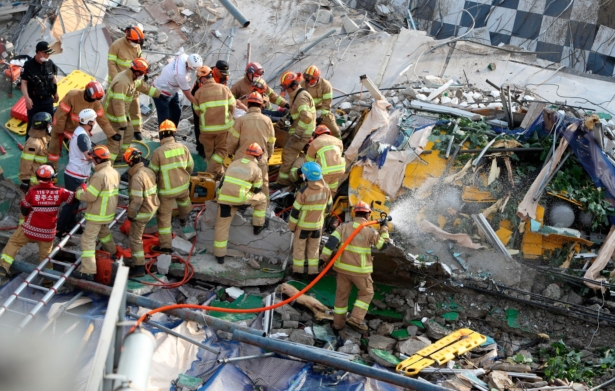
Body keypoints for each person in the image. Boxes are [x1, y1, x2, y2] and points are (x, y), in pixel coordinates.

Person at [320, 201, 389, 332]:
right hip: (361, 272)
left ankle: (338, 325)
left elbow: (331, 243)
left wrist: (322, 259)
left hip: (342, 269)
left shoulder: (343, 227)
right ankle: (356, 319)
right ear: (368, 215)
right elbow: (384, 246)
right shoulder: (370, 232)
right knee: (366, 293)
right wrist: (384, 228)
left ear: (354, 213)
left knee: (341, 297)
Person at [0, 165, 74, 283]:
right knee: (46, 257)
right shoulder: (60, 192)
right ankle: (47, 282)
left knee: (14, 243)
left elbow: (24, 210)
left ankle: (3, 268)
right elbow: (73, 198)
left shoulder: (32, 192)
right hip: (47, 232)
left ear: (37, 177)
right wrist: (83, 186)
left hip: (29, 229)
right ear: (53, 178)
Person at [214, 143, 268, 264]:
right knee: (262, 198)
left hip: (224, 200)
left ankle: (219, 255)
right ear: (258, 156)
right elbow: (257, 189)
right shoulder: (256, 169)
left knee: (222, 226)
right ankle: (258, 225)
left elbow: (223, 182)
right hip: (240, 201)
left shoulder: (233, 163)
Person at [73, 145, 119, 280]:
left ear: (99, 160)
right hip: (107, 213)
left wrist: (79, 193)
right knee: (104, 234)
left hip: (97, 214)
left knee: (87, 240)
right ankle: (113, 253)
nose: (92, 161)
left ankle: (88, 271)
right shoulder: (114, 172)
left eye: (93, 159)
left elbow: (90, 197)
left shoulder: (99, 175)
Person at [149, 120, 194, 254]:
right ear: (174, 133)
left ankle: (166, 246)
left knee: (164, 218)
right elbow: (190, 166)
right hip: (183, 187)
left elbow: (152, 173)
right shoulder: (183, 148)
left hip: (167, 192)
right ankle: (184, 221)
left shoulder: (158, 152)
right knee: (184, 203)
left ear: (161, 134)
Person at [104, 58, 160, 162]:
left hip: (122, 115)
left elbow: (144, 87)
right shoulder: (123, 82)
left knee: (129, 133)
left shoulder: (132, 78)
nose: (143, 76)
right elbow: (118, 104)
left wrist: (159, 94)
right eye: (142, 73)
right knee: (116, 142)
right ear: (137, 72)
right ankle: (106, 164)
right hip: (114, 117)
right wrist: (122, 123)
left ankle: (119, 157)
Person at [48, 81, 112, 165]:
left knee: (78, 152)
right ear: (87, 93)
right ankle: (51, 169)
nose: (93, 100)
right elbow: (61, 115)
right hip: (62, 128)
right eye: (93, 98)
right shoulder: (72, 96)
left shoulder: (95, 102)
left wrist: (112, 133)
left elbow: (102, 119)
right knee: (54, 150)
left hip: (78, 132)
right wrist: (58, 130)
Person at [227, 92, 275, 201]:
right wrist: (267, 156)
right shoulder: (267, 121)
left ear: (248, 104)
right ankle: (264, 207)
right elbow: (271, 143)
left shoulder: (240, 120)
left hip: (242, 159)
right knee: (263, 184)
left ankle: (240, 206)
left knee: (240, 184)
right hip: (260, 159)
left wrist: (230, 153)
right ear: (261, 105)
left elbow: (232, 141)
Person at [56, 108, 97, 237]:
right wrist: (99, 157)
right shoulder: (82, 137)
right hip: (76, 175)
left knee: (75, 202)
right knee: (71, 203)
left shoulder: (80, 132)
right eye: (94, 120)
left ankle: (70, 225)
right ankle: (60, 228)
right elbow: (88, 156)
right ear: (89, 122)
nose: (95, 122)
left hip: (76, 173)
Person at [288, 162, 331, 276]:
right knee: (314, 249)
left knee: (299, 249)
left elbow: (295, 213)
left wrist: (292, 227)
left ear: (306, 176)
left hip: (302, 227)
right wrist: (320, 218)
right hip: (317, 226)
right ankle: (313, 272)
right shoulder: (326, 189)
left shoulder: (303, 192)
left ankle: (298, 272)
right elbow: (329, 207)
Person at [192, 66, 236, 179]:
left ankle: (215, 175)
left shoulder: (198, 93)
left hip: (206, 131)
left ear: (202, 79)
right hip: (224, 128)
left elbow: (197, 112)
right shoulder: (224, 89)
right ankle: (210, 176)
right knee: (221, 152)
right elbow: (233, 106)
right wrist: (228, 117)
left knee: (210, 155)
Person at [123, 147, 159, 277]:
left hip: (143, 211)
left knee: (135, 238)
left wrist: (131, 214)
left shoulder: (137, 177)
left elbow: (137, 200)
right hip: (152, 206)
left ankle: (139, 267)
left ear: (130, 162)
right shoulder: (148, 171)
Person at [275, 71, 316, 187]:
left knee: (288, 153)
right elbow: (294, 114)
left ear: (293, 86)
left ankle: (283, 182)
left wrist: (298, 133)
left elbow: (306, 117)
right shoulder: (297, 95)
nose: (285, 90)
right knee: (290, 154)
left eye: (285, 87)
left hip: (302, 134)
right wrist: (283, 122)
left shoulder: (301, 97)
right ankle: (292, 176)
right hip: (303, 133)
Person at [107, 26, 146, 141]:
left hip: (133, 81)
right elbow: (111, 64)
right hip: (120, 82)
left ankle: (137, 129)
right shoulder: (116, 46)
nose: (136, 44)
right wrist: (116, 81)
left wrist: (143, 71)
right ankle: (116, 129)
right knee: (118, 107)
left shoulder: (137, 45)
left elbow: (140, 60)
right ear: (128, 38)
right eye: (135, 42)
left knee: (135, 106)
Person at [152, 53, 203, 126]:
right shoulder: (180, 74)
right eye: (191, 69)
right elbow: (188, 95)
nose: (191, 71)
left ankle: (172, 133)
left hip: (172, 90)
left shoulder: (184, 57)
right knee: (164, 119)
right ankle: (165, 136)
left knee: (176, 112)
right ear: (188, 65)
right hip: (161, 92)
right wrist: (201, 105)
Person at [20, 41, 58, 138]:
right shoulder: (28, 65)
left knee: (49, 124)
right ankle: (28, 146)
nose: (48, 55)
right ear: (39, 53)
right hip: (34, 102)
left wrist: (56, 93)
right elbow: (24, 83)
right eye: (47, 53)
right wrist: (27, 98)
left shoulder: (50, 63)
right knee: (32, 125)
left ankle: (46, 145)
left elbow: (53, 78)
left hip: (48, 100)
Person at [300, 65, 340, 138]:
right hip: (308, 111)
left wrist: (321, 116)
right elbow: (300, 100)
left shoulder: (325, 85)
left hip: (322, 111)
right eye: (306, 77)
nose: (308, 81)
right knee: (301, 131)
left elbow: (327, 103)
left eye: (310, 78)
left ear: (317, 78)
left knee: (335, 130)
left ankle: (339, 143)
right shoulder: (302, 84)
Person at [306, 125, 344, 193]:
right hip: (339, 170)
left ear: (316, 134)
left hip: (325, 172)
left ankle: (322, 201)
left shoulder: (315, 142)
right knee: (332, 187)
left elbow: (309, 162)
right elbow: (339, 154)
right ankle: (331, 201)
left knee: (321, 190)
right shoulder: (338, 141)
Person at [19, 112, 51, 192]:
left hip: (40, 177)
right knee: (29, 203)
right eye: (49, 124)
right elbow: (26, 162)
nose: (51, 125)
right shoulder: (33, 143)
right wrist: (25, 181)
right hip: (33, 183)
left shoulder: (42, 137)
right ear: (44, 126)